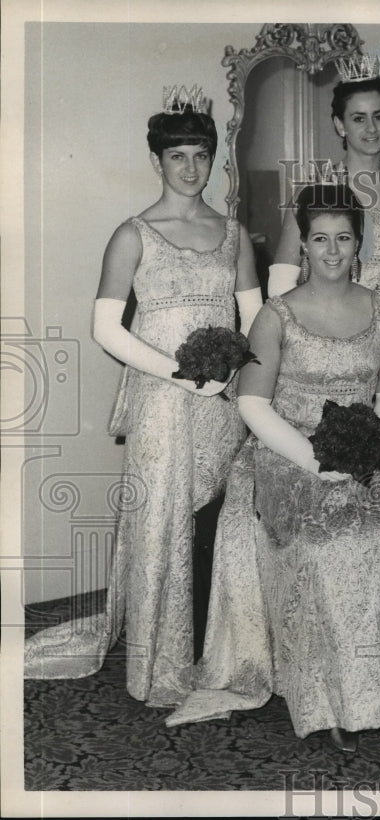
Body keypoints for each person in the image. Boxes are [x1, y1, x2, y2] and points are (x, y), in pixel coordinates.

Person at [24, 87, 262, 707]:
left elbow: (257, 316)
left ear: (214, 161)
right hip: (162, 396)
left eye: (201, 155)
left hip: (224, 396)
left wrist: (236, 374)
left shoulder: (233, 233)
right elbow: (107, 328)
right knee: (160, 520)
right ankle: (160, 663)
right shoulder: (132, 233)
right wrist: (181, 373)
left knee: (219, 521)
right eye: (178, 155)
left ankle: (222, 650)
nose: (190, 168)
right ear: (157, 160)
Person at [167, 184, 380, 752]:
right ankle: (322, 702)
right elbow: (253, 404)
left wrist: (366, 449)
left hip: (368, 456)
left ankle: (368, 696)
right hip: (288, 456)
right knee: (325, 546)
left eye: (343, 239)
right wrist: (315, 459)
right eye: (319, 239)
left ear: (360, 243)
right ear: (303, 243)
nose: (331, 251)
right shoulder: (277, 316)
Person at [269, 57, 380, 319]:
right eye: (358, 118)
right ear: (340, 125)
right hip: (328, 325)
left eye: (379, 117)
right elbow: (281, 279)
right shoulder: (313, 190)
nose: (371, 128)